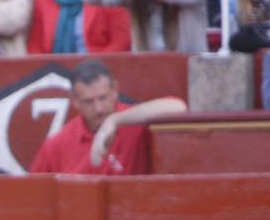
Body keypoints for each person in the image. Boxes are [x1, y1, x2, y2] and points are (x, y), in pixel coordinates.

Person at [29, 59, 186, 174]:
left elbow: (178, 107)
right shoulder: (57, 145)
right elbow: (33, 196)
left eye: (103, 98)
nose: (98, 109)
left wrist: (115, 120)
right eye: (88, 101)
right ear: (75, 101)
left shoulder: (135, 122)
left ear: (115, 91)